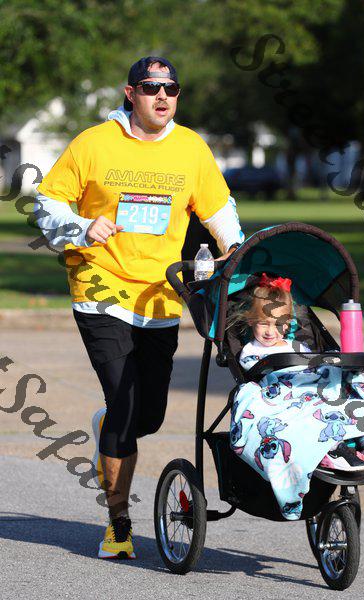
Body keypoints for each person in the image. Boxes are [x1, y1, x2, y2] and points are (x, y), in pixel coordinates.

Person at [34, 56, 244, 559]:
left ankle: (109, 423)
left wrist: (236, 247)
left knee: (147, 416)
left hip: (161, 294)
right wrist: (82, 226)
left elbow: (218, 208)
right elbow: (48, 202)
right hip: (101, 289)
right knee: (126, 406)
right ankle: (118, 525)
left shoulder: (190, 147)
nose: (162, 95)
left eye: (171, 87)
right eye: (151, 87)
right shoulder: (93, 143)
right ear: (131, 94)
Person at [229, 273, 364, 473]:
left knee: (347, 380)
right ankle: (331, 449)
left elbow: (314, 367)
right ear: (252, 321)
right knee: (308, 414)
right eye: (264, 323)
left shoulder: (297, 346)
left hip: (310, 388)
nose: (270, 331)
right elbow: (255, 371)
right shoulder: (251, 350)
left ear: (288, 324)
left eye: (278, 324)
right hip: (282, 396)